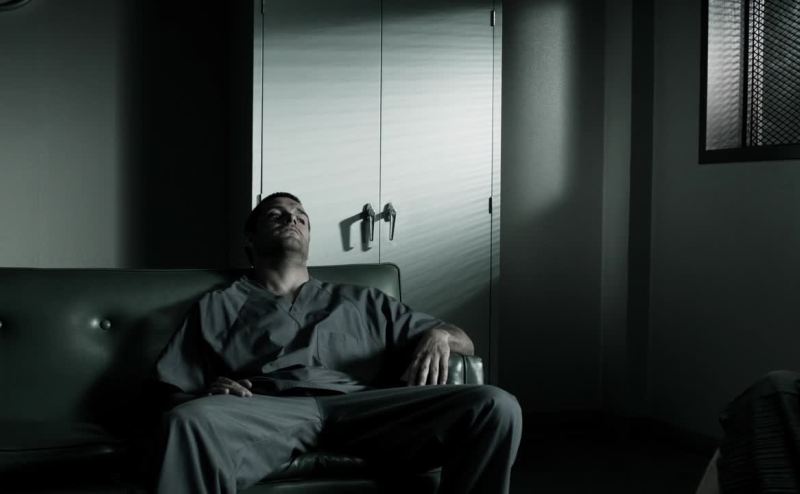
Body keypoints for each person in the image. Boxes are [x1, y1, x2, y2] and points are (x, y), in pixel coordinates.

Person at [151, 192, 522, 494]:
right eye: (276, 215)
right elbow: (170, 391)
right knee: (188, 421)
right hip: (268, 409)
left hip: (362, 407)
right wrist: (209, 393)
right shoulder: (219, 305)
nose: (291, 219)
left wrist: (439, 335)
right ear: (250, 238)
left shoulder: (363, 299)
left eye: (301, 216)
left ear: (309, 237)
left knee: (494, 405)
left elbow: (463, 340)